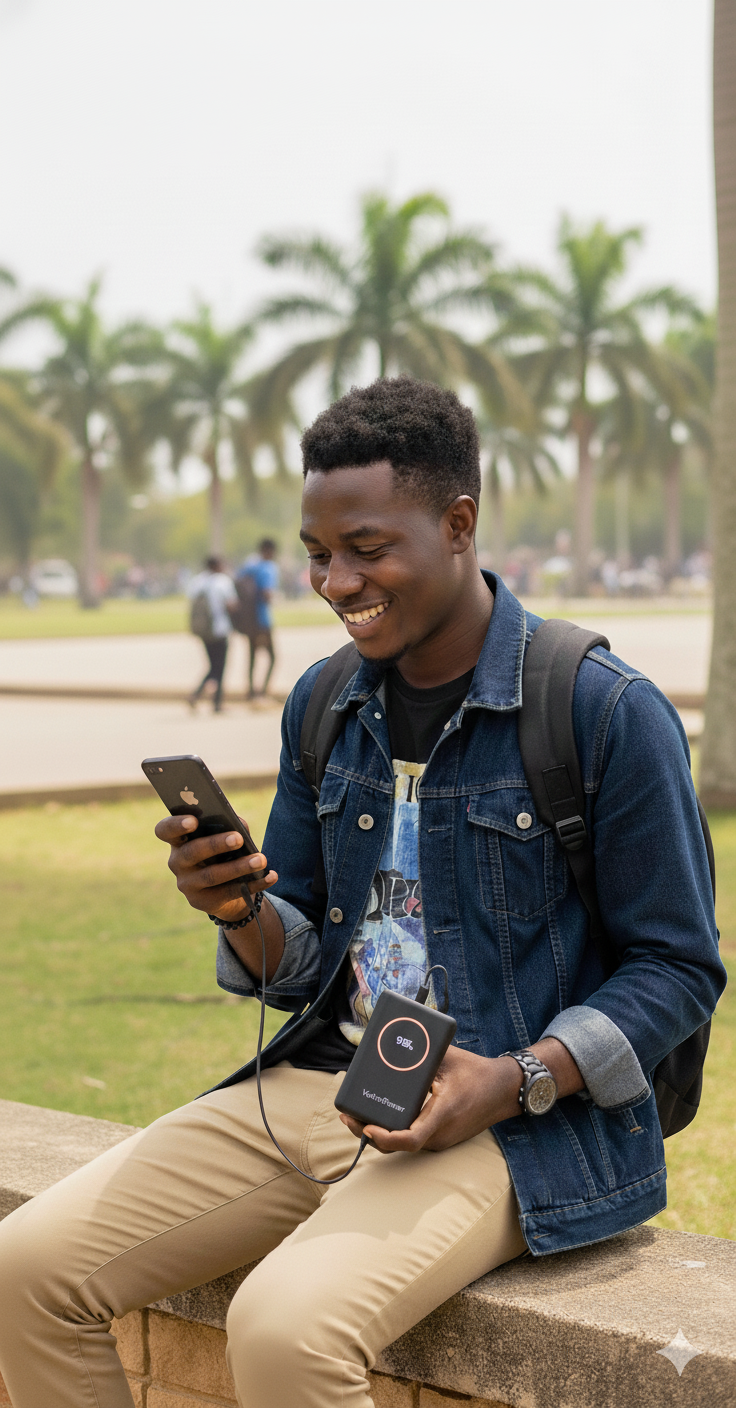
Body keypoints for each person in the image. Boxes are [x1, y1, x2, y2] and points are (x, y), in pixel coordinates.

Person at [0, 377, 725, 1408]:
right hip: (326, 1081)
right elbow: (297, 957)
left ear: (458, 523)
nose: (335, 580)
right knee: (24, 1270)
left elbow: (678, 966)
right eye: (316, 551)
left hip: (504, 1119)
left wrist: (517, 1075)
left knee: (284, 1330)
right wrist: (238, 908)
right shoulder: (327, 702)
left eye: (367, 547)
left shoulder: (602, 710)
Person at [187, 555, 237, 712]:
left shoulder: (197, 582)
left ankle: (198, 695)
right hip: (219, 629)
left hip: (203, 630)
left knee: (212, 665)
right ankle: (215, 701)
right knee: (219, 667)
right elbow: (231, 605)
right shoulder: (223, 581)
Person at [237, 538, 279, 697]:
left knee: (252, 655)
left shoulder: (249, 566)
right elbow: (267, 593)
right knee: (273, 657)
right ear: (270, 551)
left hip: (249, 620)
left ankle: (250, 690)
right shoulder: (268, 568)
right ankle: (263, 691)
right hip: (263, 620)